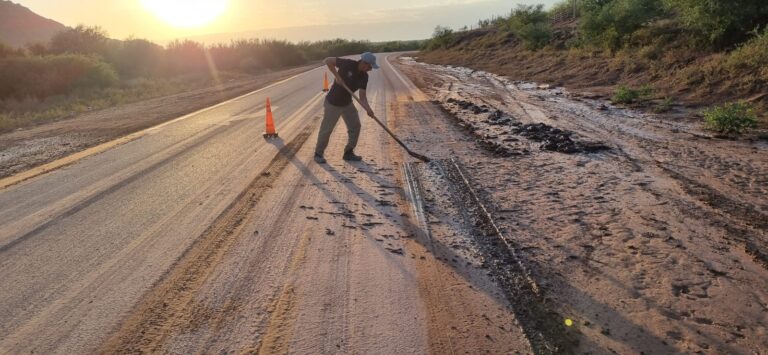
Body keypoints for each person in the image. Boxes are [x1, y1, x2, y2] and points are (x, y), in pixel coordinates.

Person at [314, 52, 378, 163]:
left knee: (355, 126)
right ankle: (318, 154)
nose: (371, 69)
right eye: (370, 66)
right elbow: (328, 60)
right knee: (326, 130)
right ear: (364, 63)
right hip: (333, 103)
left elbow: (362, 97)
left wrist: (369, 109)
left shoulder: (364, 77)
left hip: (347, 103)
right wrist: (337, 77)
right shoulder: (348, 64)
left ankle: (348, 152)